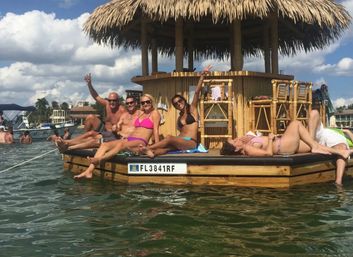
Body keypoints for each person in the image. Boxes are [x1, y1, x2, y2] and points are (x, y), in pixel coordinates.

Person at [74, 94, 161, 179]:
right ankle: (89, 171)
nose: (145, 104)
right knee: (105, 145)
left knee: (120, 146)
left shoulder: (155, 113)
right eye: (143, 103)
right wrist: (117, 129)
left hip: (141, 141)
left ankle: (99, 160)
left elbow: (156, 131)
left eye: (147, 102)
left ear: (151, 102)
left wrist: (157, 147)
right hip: (129, 139)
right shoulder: (141, 114)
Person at [140, 65, 212, 158]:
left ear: (184, 101)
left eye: (180, 101)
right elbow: (182, 131)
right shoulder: (180, 117)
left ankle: (147, 148)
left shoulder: (192, 109)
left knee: (169, 138)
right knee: (166, 149)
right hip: (180, 140)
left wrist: (202, 76)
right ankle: (152, 153)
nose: (178, 104)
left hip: (190, 142)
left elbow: (197, 92)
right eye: (176, 104)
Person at [220, 120, 352, 159]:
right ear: (236, 148)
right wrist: (271, 139)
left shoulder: (247, 144)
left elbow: (260, 145)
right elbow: (268, 154)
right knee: (295, 123)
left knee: (312, 145)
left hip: (285, 144)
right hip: (282, 146)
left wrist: (251, 137)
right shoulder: (248, 149)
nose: (237, 139)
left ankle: (342, 152)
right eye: (234, 141)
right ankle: (316, 146)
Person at [56, 96, 139, 152]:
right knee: (91, 134)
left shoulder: (131, 113)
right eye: (128, 103)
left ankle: (67, 145)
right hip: (113, 134)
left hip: (121, 138)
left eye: (131, 103)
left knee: (94, 140)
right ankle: (66, 142)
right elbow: (96, 97)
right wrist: (116, 127)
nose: (129, 105)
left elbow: (141, 131)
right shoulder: (125, 114)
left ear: (136, 103)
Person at [308, 109, 353, 186]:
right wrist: (347, 131)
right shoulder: (330, 132)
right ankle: (311, 141)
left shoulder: (342, 138)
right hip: (324, 134)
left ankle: (338, 182)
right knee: (314, 113)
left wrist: (348, 132)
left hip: (335, 139)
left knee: (341, 148)